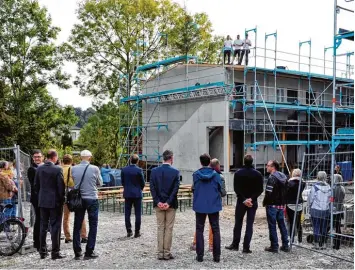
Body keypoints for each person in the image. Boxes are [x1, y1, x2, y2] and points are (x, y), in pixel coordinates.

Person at [226, 154, 263, 253]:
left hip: (241, 201)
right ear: (252, 162)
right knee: (249, 224)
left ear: (244, 161)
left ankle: (235, 244)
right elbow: (260, 189)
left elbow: (236, 188)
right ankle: (246, 247)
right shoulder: (258, 174)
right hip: (252, 202)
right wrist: (251, 199)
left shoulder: (238, 173)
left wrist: (244, 199)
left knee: (238, 223)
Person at [34, 150, 65, 260]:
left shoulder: (39, 168)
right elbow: (60, 187)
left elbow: (36, 185)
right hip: (54, 202)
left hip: (42, 201)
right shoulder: (57, 169)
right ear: (55, 157)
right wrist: (62, 199)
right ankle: (55, 252)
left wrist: (41, 196)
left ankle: (43, 251)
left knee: (43, 226)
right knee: (55, 226)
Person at [72, 150, 102, 260]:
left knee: (77, 224)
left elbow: (74, 181)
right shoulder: (95, 168)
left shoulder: (74, 168)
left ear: (80, 157)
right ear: (90, 157)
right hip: (92, 198)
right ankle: (89, 251)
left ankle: (77, 251)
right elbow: (100, 182)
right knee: (93, 224)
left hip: (79, 199)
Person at [191, 158, 226, 252]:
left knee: (199, 229)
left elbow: (193, 189)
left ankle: (199, 255)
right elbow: (222, 192)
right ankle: (216, 255)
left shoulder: (195, 175)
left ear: (201, 162)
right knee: (215, 229)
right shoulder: (218, 176)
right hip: (213, 205)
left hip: (200, 205)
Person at [150, 150, 180, 260]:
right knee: (168, 228)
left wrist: (158, 201)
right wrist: (168, 202)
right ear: (171, 158)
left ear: (163, 158)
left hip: (158, 204)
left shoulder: (154, 171)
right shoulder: (175, 172)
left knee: (160, 228)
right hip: (170, 205)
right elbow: (175, 189)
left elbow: (152, 188)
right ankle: (166, 253)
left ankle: (160, 253)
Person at [263, 160, 289, 253]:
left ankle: (274, 246)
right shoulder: (283, 176)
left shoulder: (272, 178)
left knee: (272, 226)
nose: (266, 167)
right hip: (281, 205)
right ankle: (286, 245)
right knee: (282, 225)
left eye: (268, 165)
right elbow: (287, 190)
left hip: (272, 205)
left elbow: (268, 193)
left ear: (273, 167)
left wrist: (265, 202)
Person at [62, 154, 87, 244]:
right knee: (80, 215)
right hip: (74, 194)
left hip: (64, 195)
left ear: (62, 161)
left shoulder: (60, 169)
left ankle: (67, 237)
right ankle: (83, 235)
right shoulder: (73, 169)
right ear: (71, 161)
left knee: (66, 217)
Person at [121, 154, 145, 238]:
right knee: (137, 214)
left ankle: (129, 231)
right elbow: (143, 182)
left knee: (127, 213)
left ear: (130, 160)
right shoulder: (139, 170)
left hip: (127, 193)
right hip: (137, 194)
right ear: (137, 161)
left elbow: (123, 182)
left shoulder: (124, 169)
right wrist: (140, 189)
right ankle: (137, 232)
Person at [308, 171, 331, 250]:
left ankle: (316, 244)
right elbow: (331, 198)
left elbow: (311, 199)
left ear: (318, 177)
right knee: (324, 227)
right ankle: (324, 244)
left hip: (316, 209)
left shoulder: (315, 187)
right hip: (325, 210)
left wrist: (309, 206)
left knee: (316, 227)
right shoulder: (329, 187)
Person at [27, 149, 44, 251]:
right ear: (33, 158)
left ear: (42, 157)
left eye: (39, 156)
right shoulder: (32, 169)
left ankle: (41, 241)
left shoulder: (43, 167)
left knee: (43, 220)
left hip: (44, 197)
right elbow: (34, 185)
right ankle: (37, 242)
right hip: (37, 198)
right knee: (39, 220)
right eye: (35, 157)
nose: (37, 158)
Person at [286, 168, 305, 244]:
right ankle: (299, 240)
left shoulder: (289, 183)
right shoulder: (303, 183)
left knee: (291, 223)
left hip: (290, 205)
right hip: (299, 204)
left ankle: (291, 239)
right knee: (298, 223)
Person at [333, 174, 345, 250]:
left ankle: (322, 239)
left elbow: (331, 199)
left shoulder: (334, 188)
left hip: (334, 210)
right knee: (338, 226)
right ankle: (338, 243)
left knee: (330, 225)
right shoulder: (343, 188)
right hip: (340, 209)